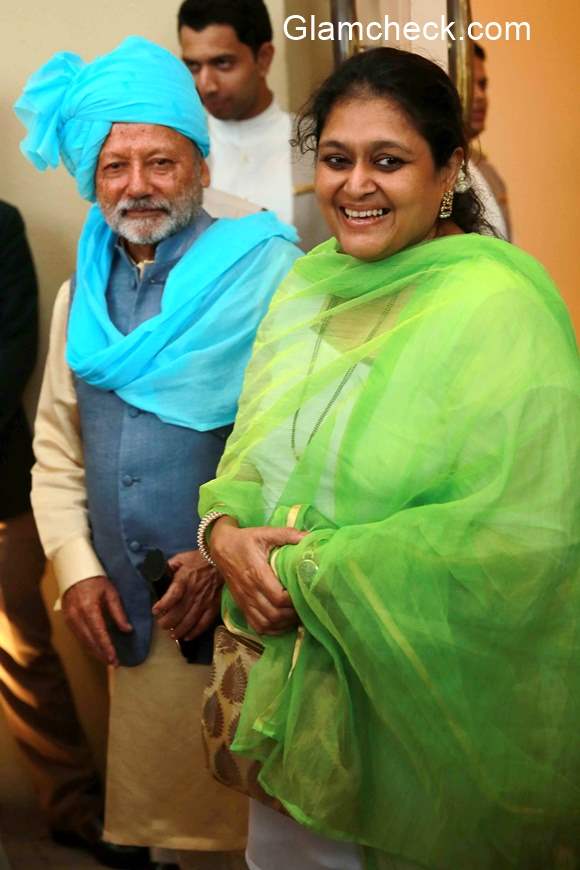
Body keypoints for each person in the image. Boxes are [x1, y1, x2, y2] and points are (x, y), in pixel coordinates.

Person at [198, 47, 580, 870]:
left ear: (450, 171)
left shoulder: (498, 305)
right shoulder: (309, 287)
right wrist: (223, 534)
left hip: (419, 703)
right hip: (293, 690)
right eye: (336, 160)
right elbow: (253, 450)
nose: (355, 184)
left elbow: (527, 534)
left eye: (389, 161)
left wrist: (313, 573)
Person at [14, 35, 301, 870]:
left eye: (161, 162)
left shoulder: (270, 277)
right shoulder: (81, 294)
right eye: (114, 166)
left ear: (202, 166)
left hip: (245, 605)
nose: (136, 185)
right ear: (90, 180)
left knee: (256, 834)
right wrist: (78, 568)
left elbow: (299, 442)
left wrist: (226, 551)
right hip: (133, 622)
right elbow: (58, 452)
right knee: (170, 840)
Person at [0, 200, 151, 869]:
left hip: (2, 489)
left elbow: (11, 353)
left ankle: (77, 808)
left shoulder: (2, 224)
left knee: (23, 652)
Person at [177, 0, 328, 251]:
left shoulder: (319, 143)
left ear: (263, 58)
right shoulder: (179, 153)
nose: (206, 85)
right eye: (193, 66)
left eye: (222, 63)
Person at [468, 43, 512, 240]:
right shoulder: (435, 173)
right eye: (469, 84)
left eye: (483, 85)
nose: (480, 96)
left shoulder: (487, 172)